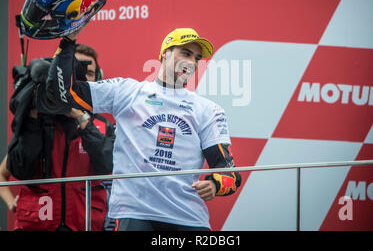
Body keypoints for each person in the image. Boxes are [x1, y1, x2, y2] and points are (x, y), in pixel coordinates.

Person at [46, 27, 242, 231]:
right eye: (185, 53)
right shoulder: (127, 92)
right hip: (134, 213)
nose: (192, 63)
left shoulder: (208, 110)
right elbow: (64, 94)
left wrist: (214, 184)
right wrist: (68, 40)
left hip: (188, 218)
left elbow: (229, 173)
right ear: (165, 53)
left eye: (197, 58)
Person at [6, 44, 115, 231]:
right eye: (72, 71)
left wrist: (81, 118)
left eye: (87, 73)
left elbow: (106, 166)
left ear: (97, 78)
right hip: (37, 223)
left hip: (84, 222)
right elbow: (19, 170)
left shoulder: (104, 126)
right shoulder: (37, 118)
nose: (78, 79)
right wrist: (32, 117)